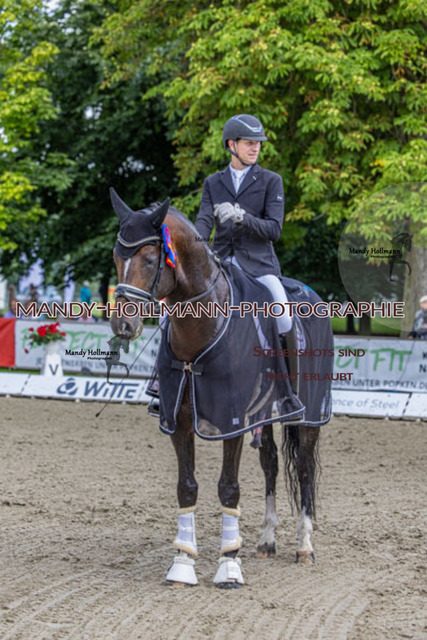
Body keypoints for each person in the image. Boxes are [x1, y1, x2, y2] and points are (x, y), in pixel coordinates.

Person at [195, 113, 292, 336]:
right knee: (175, 311)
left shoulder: (271, 181)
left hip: (258, 266)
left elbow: (274, 230)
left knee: (284, 319)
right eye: (249, 143)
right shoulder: (213, 183)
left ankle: (288, 360)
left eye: (258, 143)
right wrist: (193, 244)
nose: (256, 148)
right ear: (232, 145)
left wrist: (242, 217)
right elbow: (203, 223)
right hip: (219, 265)